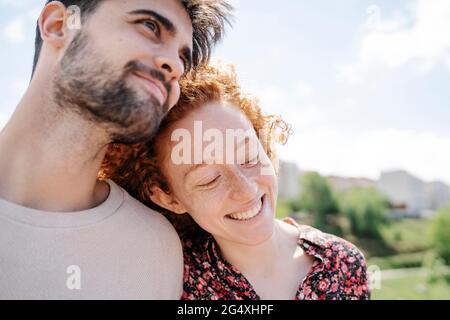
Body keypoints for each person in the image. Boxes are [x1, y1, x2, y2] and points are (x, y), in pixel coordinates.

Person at [0, 0, 231, 299]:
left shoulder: (155, 248)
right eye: (150, 26)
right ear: (59, 26)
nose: (175, 68)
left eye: (182, 62)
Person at [101, 65, 371, 300]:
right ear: (167, 197)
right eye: (210, 179)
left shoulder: (344, 264)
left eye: (249, 157)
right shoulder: (170, 284)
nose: (246, 191)